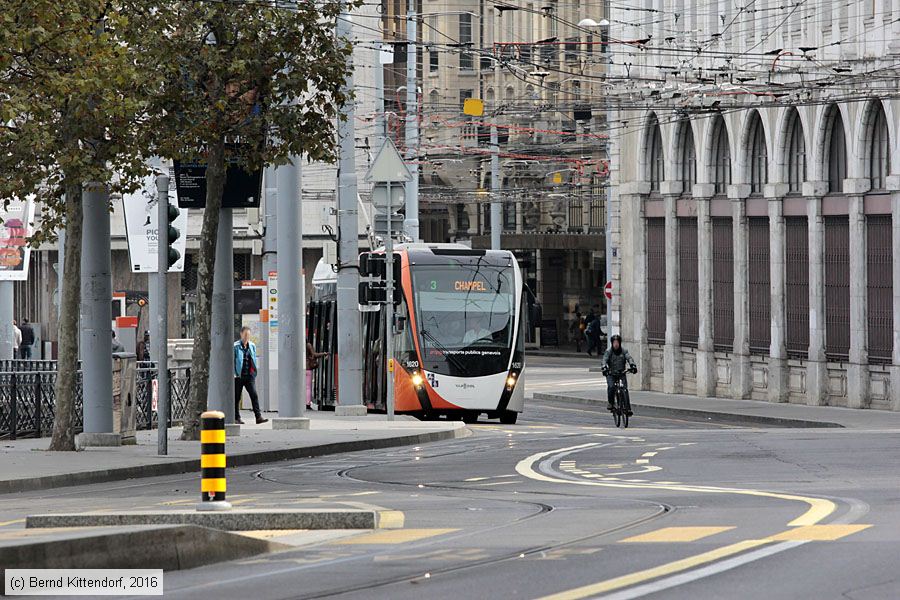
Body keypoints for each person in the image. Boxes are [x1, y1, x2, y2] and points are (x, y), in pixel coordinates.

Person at [234, 326, 267, 425]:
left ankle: (258, 417)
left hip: (249, 375)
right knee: (236, 397)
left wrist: (254, 372)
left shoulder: (252, 345)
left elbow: (253, 359)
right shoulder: (235, 346)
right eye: (245, 335)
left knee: (254, 395)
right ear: (241, 334)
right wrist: (234, 373)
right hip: (239, 376)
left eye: (248, 335)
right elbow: (232, 361)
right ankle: (237, 418)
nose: (246, 337)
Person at [601, 334, 637, 414]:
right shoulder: (608, 352)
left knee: (624, 389)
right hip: (611, 373)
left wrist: (632, 365)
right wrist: (604, 367)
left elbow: (629, 358)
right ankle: (611, 403)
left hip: (621, 373)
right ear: (612, 343)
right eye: (614, 342)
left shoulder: (624, 351)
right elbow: (604, 360)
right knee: (611, 387)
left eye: (617, 342)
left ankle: (627, 408)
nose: (616, 344)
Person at [305, 341, 327, 409]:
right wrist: (324, 353)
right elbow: (314, 355)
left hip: (300, 369)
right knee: (307, 387)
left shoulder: (297, 343)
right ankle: (307, 404)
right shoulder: (308, 345)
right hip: (307, 368)